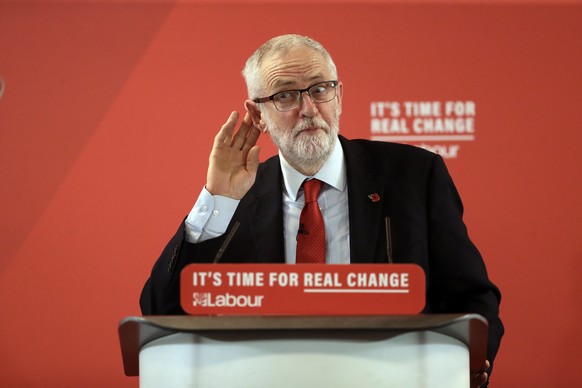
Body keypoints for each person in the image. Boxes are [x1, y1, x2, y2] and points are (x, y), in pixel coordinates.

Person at [140, 34, 503, 387]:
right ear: (258, 114)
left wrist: (462, 367)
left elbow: (471, 298)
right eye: (285, 95)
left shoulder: (413, 175)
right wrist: (218, 198)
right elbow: (162, 312)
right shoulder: (236, 197)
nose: (309, 109)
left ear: (339, 96)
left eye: (319, 89)